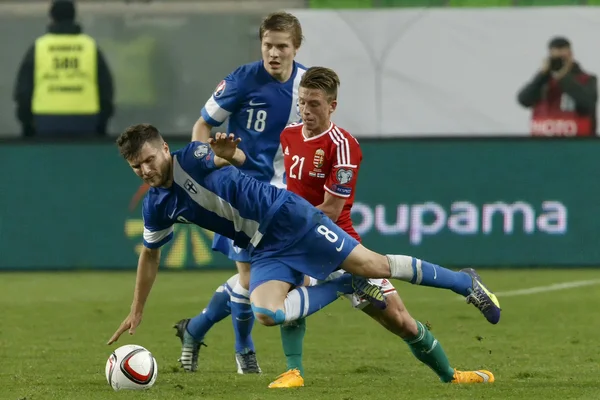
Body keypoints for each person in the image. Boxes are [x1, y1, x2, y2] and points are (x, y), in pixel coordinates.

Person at [177, 67, 500, 388]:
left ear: (332, 106)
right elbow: (270, 175)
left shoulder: (343, 145)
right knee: (287, 294)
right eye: (302, 102)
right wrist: (234, 157)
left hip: (333, 237)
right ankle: (294, 371)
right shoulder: (288, 134)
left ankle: (454, 351)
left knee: (399, 320)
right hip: (293, 233)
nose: (306, 110)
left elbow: (331, 209)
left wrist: (283, 225)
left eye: (314, 104)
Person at [107, 123, 501, 375]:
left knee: (375, 265)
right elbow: (151, 255)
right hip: (264, 247)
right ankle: (345, 285)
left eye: (148, 160)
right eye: (135, 167)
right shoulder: (156, 205)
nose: (144, 170)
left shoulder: (192, 156)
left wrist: (232, 155)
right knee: (265, 313)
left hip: (290, 217)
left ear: (163, 148)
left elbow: (242, 160)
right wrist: (136, 308)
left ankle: (464, 283)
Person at [183, 11, 307, 373]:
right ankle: (244, 350)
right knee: (252, 279)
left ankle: (195, 328)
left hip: (284, 195)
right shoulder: (241, 80)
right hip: (240, 192)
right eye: (268, 45)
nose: (274, 53)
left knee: (281, 277)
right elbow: (203, 124)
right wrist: (201, 167)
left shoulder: (307, 85)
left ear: (296, 48)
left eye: (282, 46)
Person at [13, 0, 114, 137]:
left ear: (52, 17)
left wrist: (27, 125)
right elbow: (105, 90)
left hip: (45, 120)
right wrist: (102, 124)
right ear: (74, 16)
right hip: (86, 120)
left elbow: (24, 91)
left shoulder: (39, 47)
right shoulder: (89, 47)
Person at [517, 36, 597, 137]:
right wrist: (542, 75)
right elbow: (523, 100)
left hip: (576, 143)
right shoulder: (542, 81)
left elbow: (587, 103)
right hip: (543, 142)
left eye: (563, 58)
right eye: (556, 59)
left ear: (571, 56)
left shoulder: (586, 79)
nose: (559, 62)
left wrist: (562, 76)